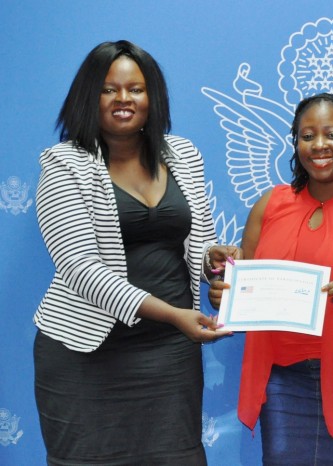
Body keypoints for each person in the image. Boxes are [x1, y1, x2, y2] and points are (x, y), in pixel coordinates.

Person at [33, 40, 240, 465]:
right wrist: (173, 314)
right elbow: (80, 268)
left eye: (136, 89)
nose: (124, 99)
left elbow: (198, 240)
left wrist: (212, 260)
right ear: (88, 96)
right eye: (109, 89)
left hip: (170, 355)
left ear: (153, 96)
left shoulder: (183, 154)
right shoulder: (64, 163)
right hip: (86, 354)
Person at [210, 92, 333, 465]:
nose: (319, 145)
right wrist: (225, 295)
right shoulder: (269, 206)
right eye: (307, 136)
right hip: (285, 385)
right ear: (295, 142)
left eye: (332, 134)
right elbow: (242, 289)